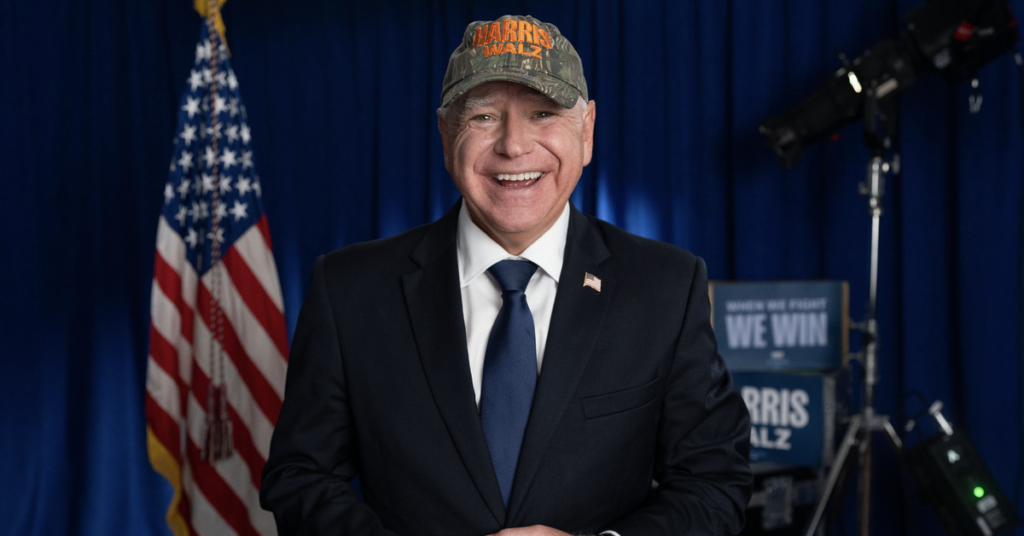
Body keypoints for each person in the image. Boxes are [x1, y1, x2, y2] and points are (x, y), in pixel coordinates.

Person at [261, 14, 752, 536]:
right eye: (484, 117)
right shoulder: (349, 290)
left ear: (585, 131)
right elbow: (301, 477)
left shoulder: (665, 288)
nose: (514, 146)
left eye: (543, 113)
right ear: (446, 131)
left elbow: (714, 481)